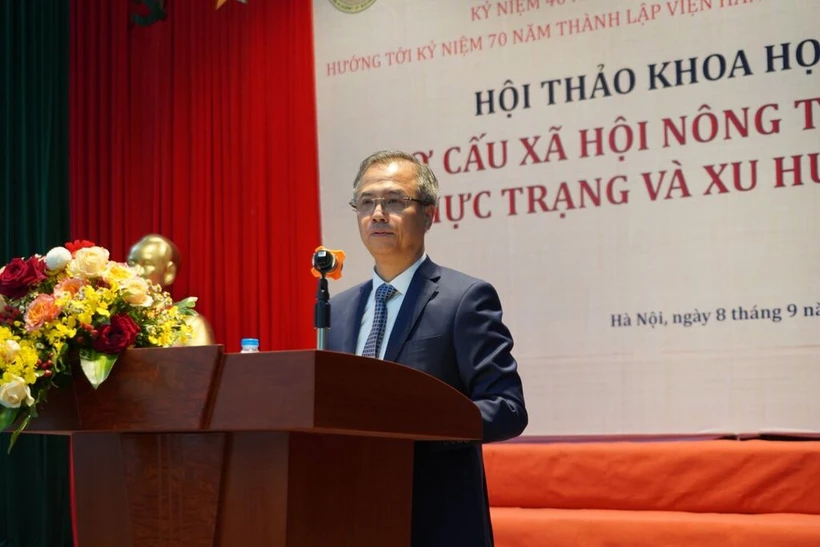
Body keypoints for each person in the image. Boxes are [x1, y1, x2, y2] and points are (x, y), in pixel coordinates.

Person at [327, 150, 528, 546]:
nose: (377, 213)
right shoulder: (337, 309)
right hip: (352, 514)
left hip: (436, 520)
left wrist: (413, 425)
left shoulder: (464, 299)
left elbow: (507, 408)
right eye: (366, 202)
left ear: (429, 214)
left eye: (394, 201)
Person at [127, 234, 216, 346]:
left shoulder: (191, 326)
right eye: (132, 263)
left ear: (169, 272)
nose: (135, 271)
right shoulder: (115, 322)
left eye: (147, 264)